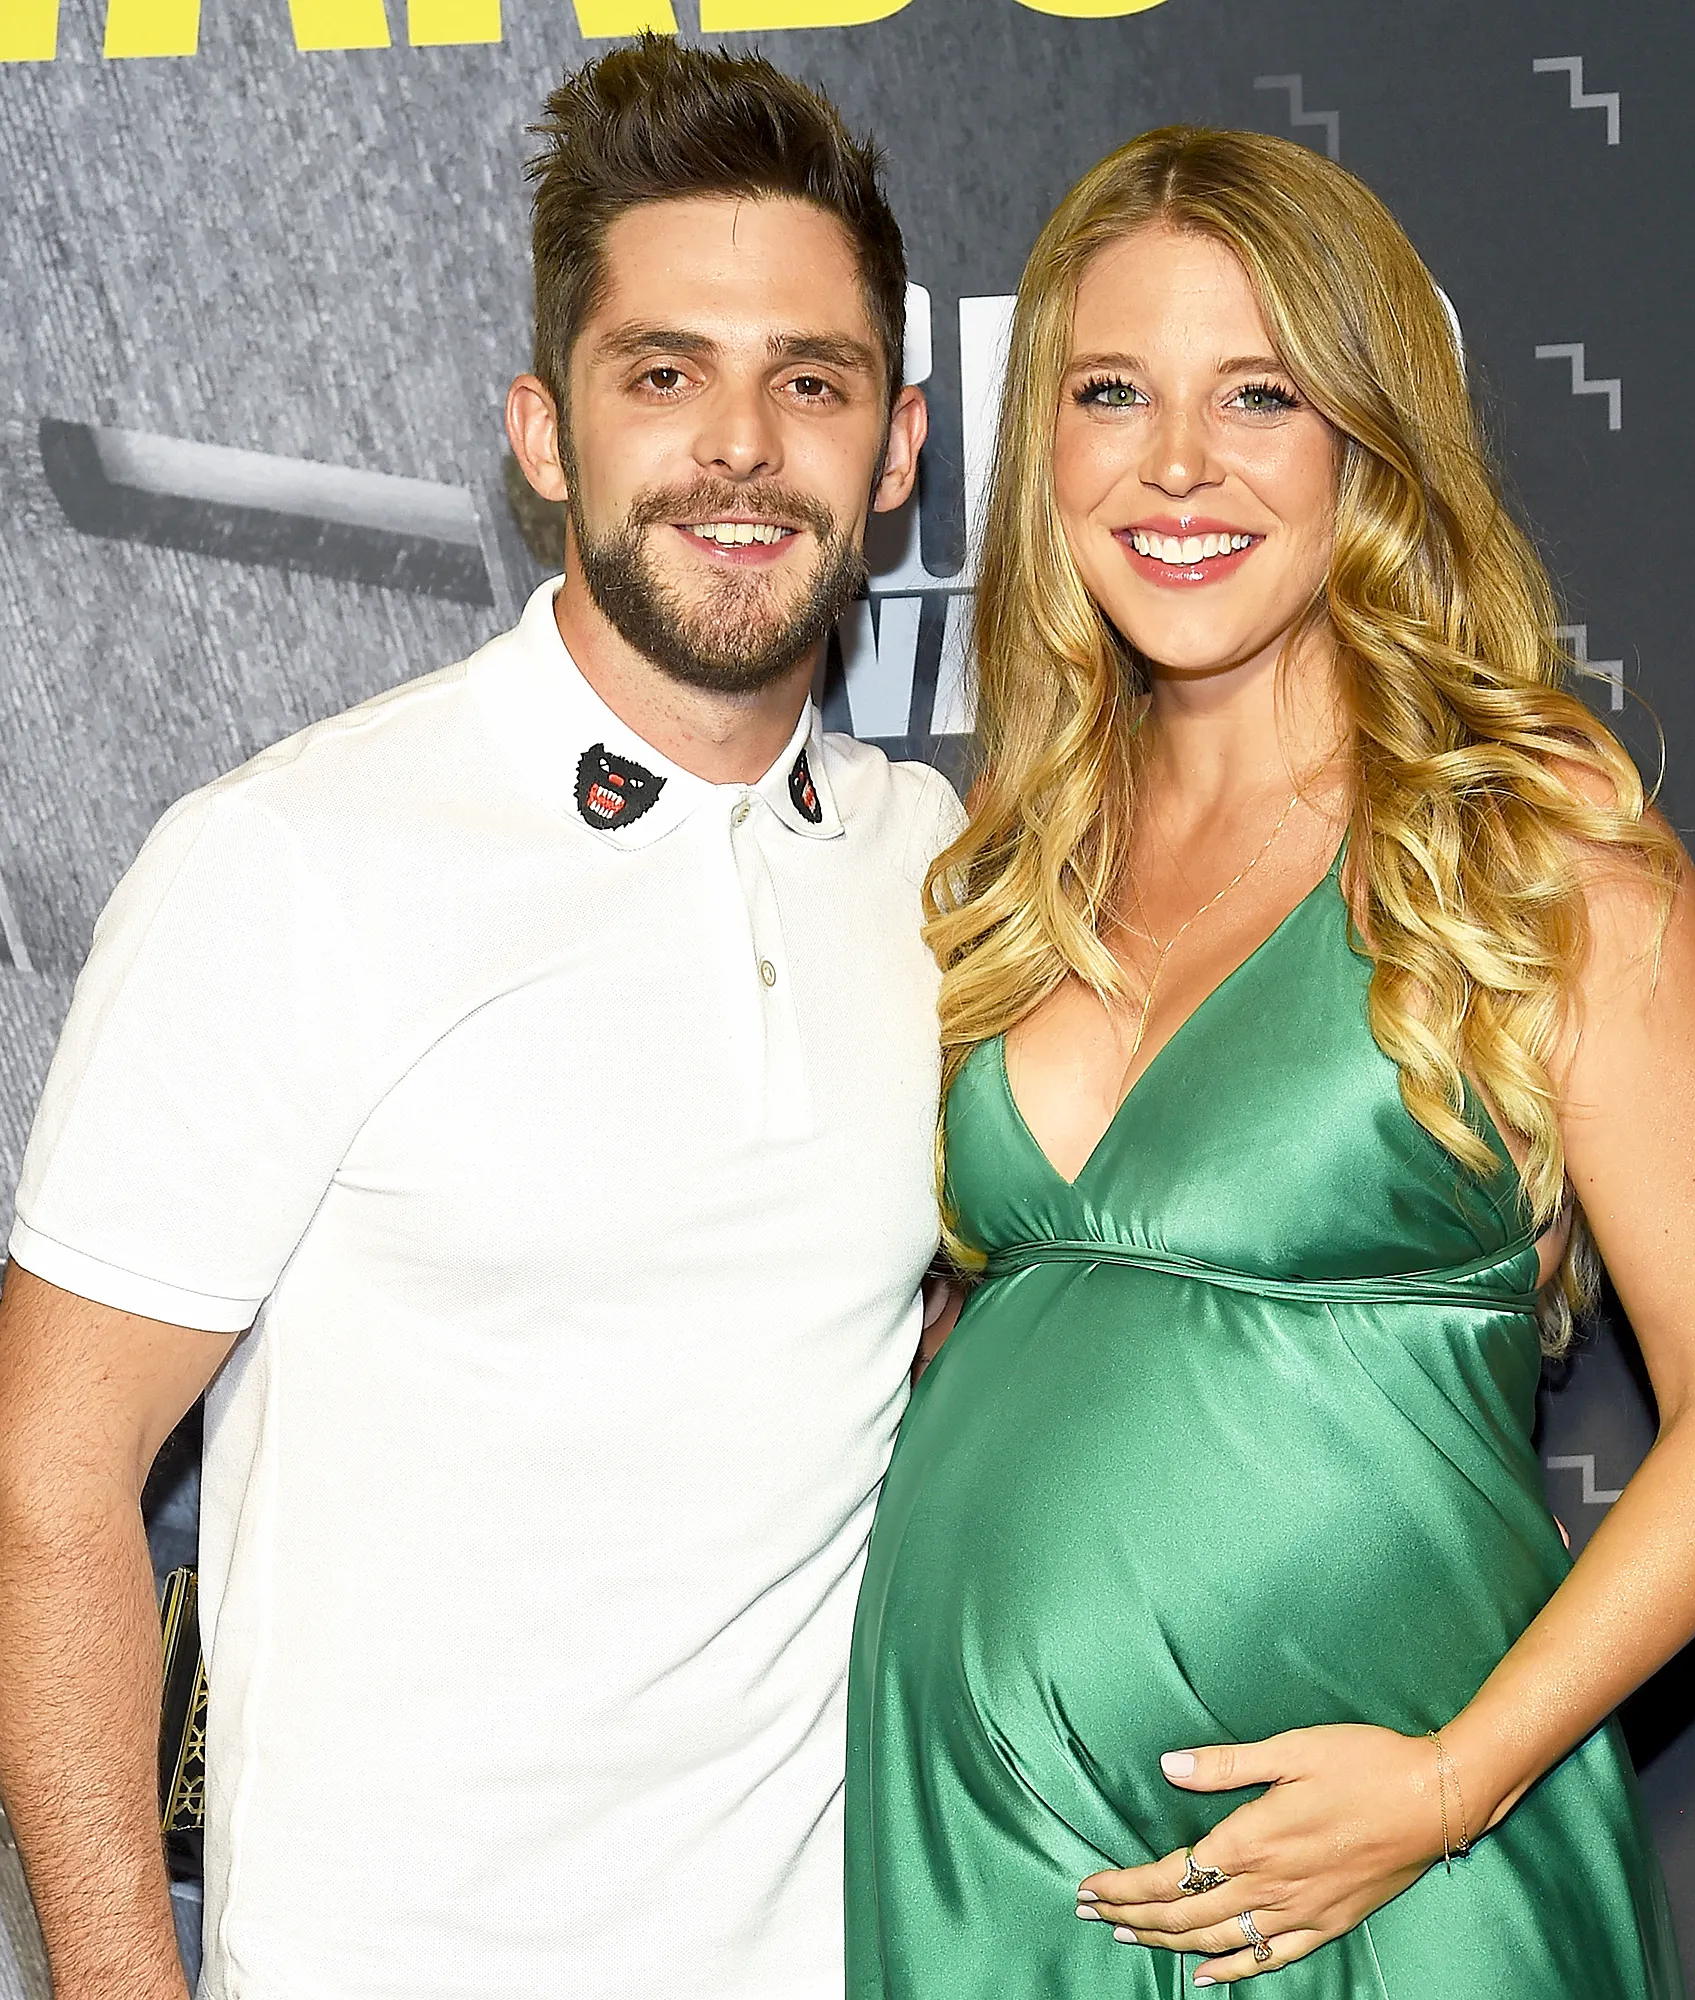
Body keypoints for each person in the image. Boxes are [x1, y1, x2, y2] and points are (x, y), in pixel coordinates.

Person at [0, 38, 959, 2000]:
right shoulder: (289, 861)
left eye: (810, 381)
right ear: (543, 434)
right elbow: (49, 1481)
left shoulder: (935, 868)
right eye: (661, 374)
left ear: (897, 446)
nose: (739, 449)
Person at [845, 127, 1695, 1997]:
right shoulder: (1003, 857)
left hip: (1391, 1880)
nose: (1179, 465)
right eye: (1112, 392)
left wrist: (1452, 1783)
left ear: (1367, 444)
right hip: (987, 1868)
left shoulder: (1527, 838)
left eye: (1261, 394)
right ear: (1042, 445)